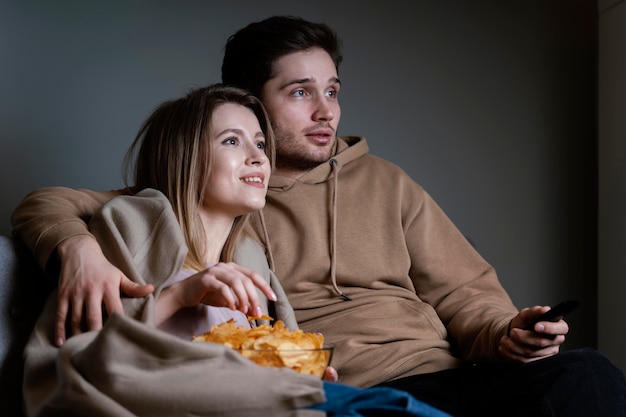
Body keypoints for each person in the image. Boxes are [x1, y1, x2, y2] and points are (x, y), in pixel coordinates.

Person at [12, 16, 625, 417]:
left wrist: (507, 332)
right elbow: (55, 204)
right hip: (343, 385)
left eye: (331, 90)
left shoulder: (387, 183)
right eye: (301, 92)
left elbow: (468, 296)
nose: (324, 110)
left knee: (587, 376)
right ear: (253, 103)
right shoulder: (213, 193)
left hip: (452, 372)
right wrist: (76, 249)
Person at [20, 83, 452, 417]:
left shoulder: (252, 263)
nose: (258, 157)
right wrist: (181, 294)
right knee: (393, 406)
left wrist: (296, 370)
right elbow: (86, 361)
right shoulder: (129, 224)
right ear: (186, 157)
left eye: (260, 144)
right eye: (232, 141)